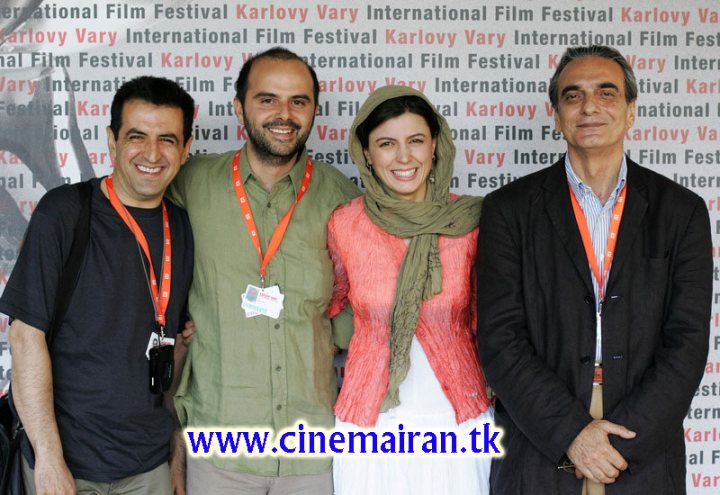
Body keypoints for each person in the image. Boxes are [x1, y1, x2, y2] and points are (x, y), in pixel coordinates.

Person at [476, 45, 712, 495]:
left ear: (630, 111)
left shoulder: (681, 211)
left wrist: (617, 444)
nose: (589, 107)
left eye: (606, 93)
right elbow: (500, 337)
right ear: (556, 114)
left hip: (640, 440)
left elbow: (686, 341)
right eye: (573, 96)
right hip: (542, 436)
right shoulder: (508, 210)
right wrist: (571, 434)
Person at [166, 47, 360, 494]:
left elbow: (359, 308)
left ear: (314, 109)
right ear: (239, 107)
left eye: (299, 101)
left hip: (314, 451)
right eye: (267, 99)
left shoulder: (342, 198)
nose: (284, 114)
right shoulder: (189, 185)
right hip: (218, 449)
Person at [0, 76, 197, 494]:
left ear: (186, 148)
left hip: (149, 466)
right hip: (68, 466)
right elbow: (24, 337)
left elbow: (174, 349)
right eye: (136, 136)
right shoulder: (66, 212)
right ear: (111, 141)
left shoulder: (180, 226)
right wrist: (49, 459)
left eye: (167, 139)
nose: (151, 153)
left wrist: (175, 457)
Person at [327, 85, 493, 495]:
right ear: (365, 152)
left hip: (459, 419)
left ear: (435, 145)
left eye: (416, 141)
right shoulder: (344, 225)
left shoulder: (472, 222)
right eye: (386, 144)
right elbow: (328, 307)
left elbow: (491, 323)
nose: (404, 158)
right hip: (371, 421)